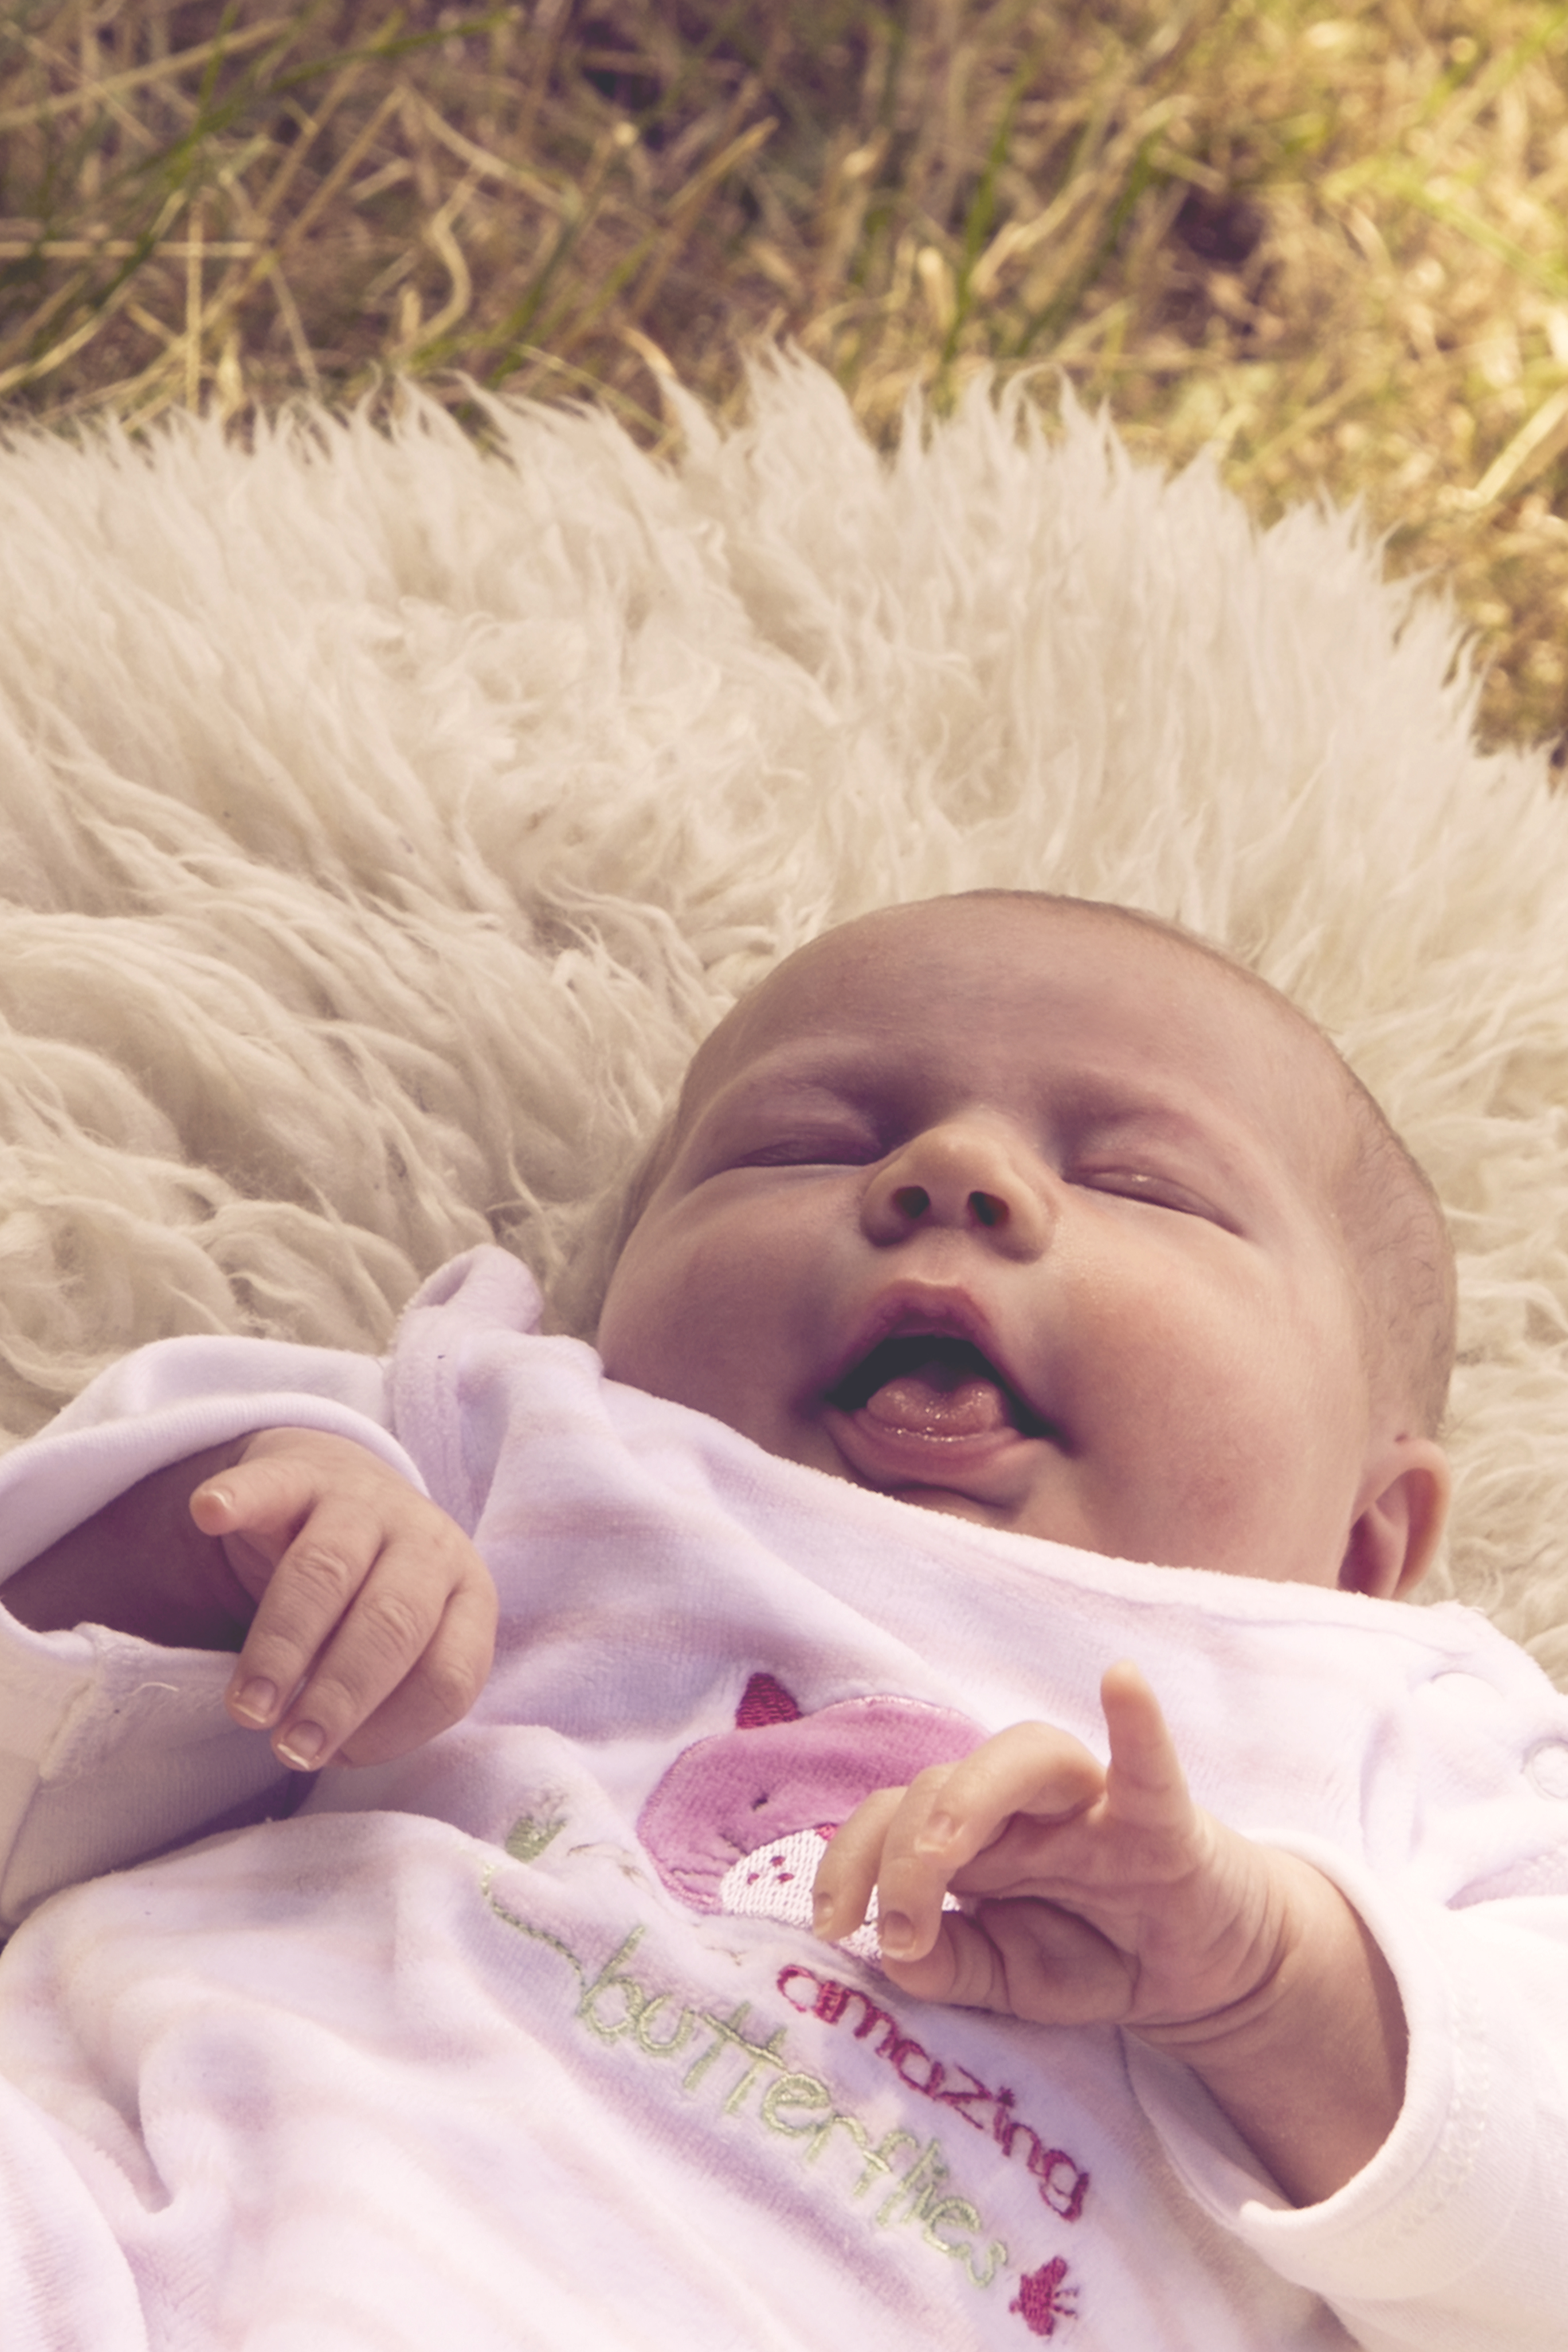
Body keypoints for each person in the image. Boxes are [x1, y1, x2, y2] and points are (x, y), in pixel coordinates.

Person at [0, 891, 1562, 2352]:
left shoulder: (1420, 1732)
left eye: (1139, 1182)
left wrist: (1273, 1978)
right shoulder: (513, 1443)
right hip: (127, 2221)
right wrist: (205, 1556)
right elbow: (38, 1763)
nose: (951, 1172)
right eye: (804, 1144)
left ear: (1368, 1539)